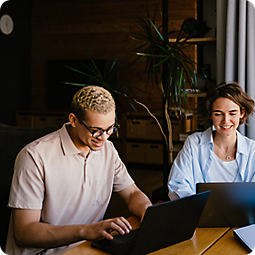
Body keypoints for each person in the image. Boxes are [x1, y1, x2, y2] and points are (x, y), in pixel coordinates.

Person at [6, 86, 152, 255]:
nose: (104, 138)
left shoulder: (108, 150)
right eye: (96, 131)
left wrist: (148, 213)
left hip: (86, 248)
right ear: (73, 120)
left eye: (110, 128)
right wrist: (86, 231)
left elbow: (133, 193)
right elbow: (24, 232)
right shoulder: (34, 156)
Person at [168, 81, 255, 199]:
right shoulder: (194, 143)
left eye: (232, 113)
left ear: (242, 113)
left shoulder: (252, 151)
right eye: (218, 114)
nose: (226, 121)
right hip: (199, 214)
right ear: (210, 114)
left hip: (242, 216)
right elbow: (177, 185)